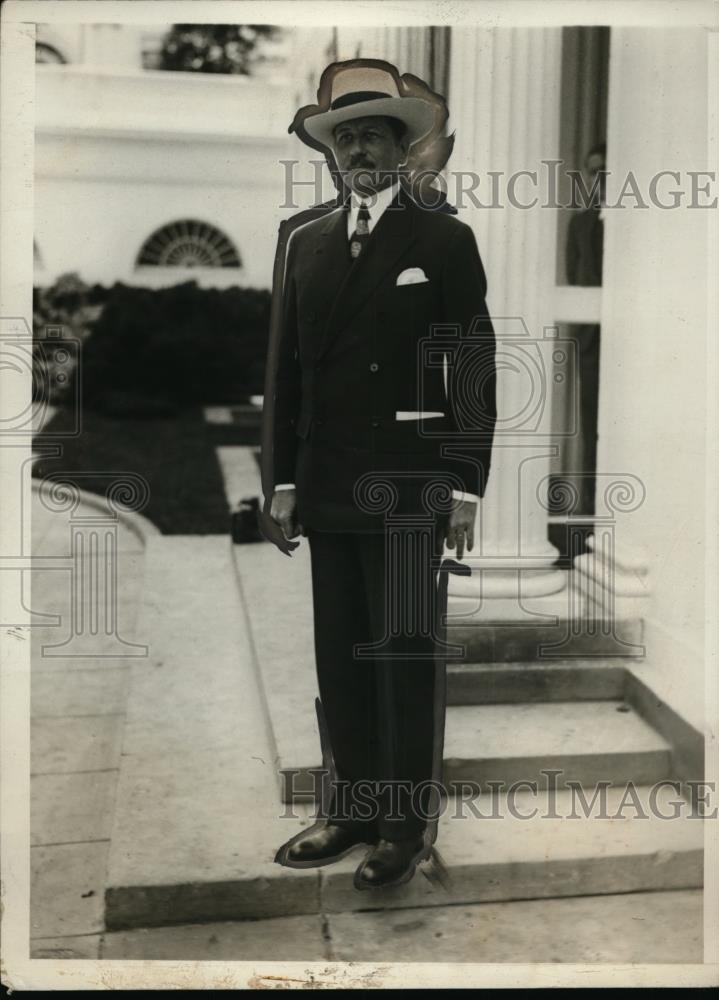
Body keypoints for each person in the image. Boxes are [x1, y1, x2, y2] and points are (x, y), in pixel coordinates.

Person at [265, 60, 497, 890]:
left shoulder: (441, 239)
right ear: (331, 155)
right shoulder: (306, 241)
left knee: (401, 657)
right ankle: (350, 809)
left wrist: (464, 485)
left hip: (409, 486)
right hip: (327, 484)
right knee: (343, 657)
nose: (359, 149)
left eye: (375, 136)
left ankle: (403, 825)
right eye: (346, 138)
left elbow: (471, 366)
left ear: (402, 151)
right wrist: (281, 482)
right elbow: (287, 371)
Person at [565, 141, 606, 515]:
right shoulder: (578, 223)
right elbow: (573, 276)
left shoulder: (635, 223)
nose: (600, 177)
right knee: (592, 423)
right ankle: (591, 507)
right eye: (595, 171)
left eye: (607, 170)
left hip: (626, 342)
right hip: (591, 343)